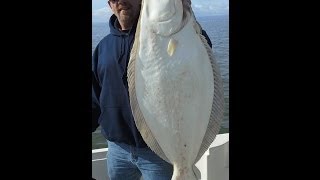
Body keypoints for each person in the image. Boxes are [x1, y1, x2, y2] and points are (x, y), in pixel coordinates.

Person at [92, 0, 212, 179]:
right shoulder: (103, 47)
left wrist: (186, 13)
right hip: (118, 150)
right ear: (110, 5)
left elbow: (199, 50)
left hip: (158, 151)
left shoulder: (156, 37)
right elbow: (95, 95)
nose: (122, 1)